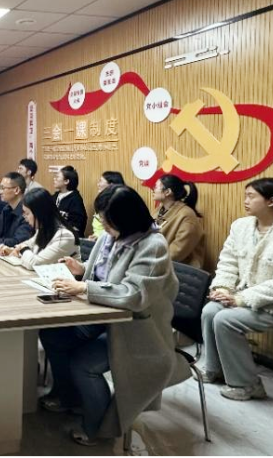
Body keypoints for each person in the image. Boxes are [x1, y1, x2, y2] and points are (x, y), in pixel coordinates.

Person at [39, 185, 188, 445]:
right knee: (53, 335)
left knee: (83, 365)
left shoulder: (152, 246)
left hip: (138, 330)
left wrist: (84, 287)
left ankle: (96, 428)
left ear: (127, 220)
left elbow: (134, 294)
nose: (105, 227)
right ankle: (70, 398)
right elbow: (106, 271)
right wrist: (81, 268)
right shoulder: (112, 237)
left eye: (109, 222)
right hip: (104, 318)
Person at [200, 178, 273, 401]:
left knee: (225, 319)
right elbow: (228, 262)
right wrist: (223, 288)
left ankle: (247, 384)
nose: (245, 201)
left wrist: (240, 299)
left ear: (271, 201)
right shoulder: (240, 226)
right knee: (210, 311)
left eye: (251, 196)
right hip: (244, 298)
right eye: (246, 196)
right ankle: (215, 368)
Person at [0, 187, 78, 269]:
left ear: (40, 213)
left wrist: (22, 249)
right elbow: (27, 244)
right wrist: (12, 250)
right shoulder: (43, 229)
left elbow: (34, 264)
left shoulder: (65, 236)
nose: (25, 217)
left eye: (27, 213)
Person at [152, 173, 205, 268]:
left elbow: (177, 251)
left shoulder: (187, 215)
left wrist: (150, 260)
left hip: (180, 270)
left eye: (156, 187)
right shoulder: (158, 211)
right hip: (159, 263)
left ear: (167, 192)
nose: (153, 190)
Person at [53, 165, 87, 237]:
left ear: (66, 181)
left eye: (57, 177)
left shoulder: (75, 200)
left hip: (68, 238)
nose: (54, 179)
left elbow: (78, 225)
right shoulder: (54, 196)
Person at [90, 171, 125, 238]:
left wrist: (100, 237)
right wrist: (96, 236)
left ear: (111, 184)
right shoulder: (103, 200)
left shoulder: (118, 202)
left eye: (100, 181)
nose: (98, 184)